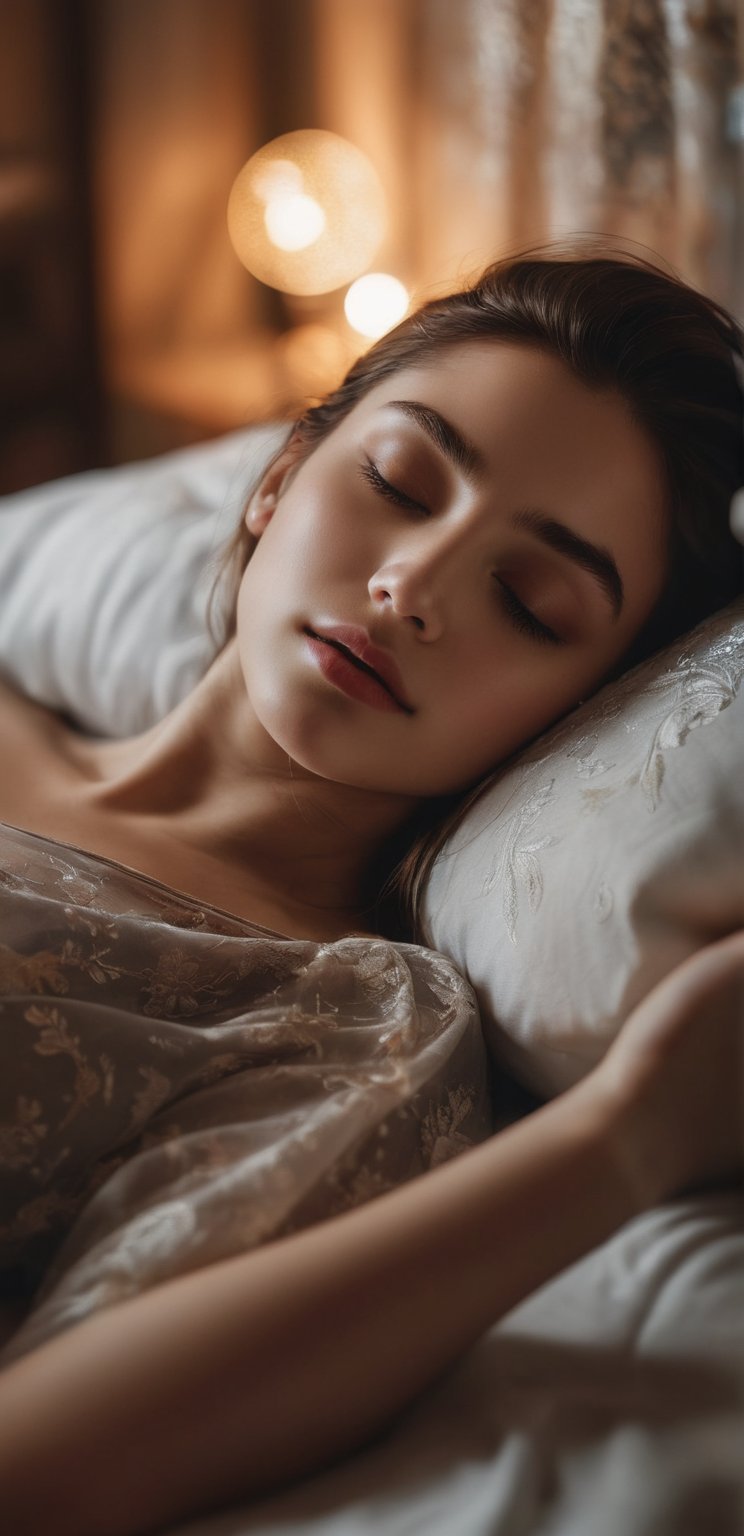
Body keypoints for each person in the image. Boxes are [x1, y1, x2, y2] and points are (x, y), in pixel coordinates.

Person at [0, 240, 742, 1535]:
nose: (414, 589)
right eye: (401, 480)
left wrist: (624, 1136)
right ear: (279, 478)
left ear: (575, 712)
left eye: (530, 598)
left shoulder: (346, 1022)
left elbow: (47, 1465)